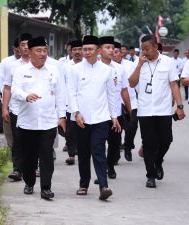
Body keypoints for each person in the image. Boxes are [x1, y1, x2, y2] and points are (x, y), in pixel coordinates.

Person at [11, 36, 67, 199]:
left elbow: (61, 95)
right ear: (30, 51)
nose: (43, 54)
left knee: (46, 156)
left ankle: (46, 188)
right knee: (28, 158)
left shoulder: (53, 70)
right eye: (39, 50)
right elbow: (15, 90)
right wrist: (25, 96)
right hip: (27, 122)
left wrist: (62, 116)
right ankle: (29, 182)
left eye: (45, 50)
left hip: (48, 122)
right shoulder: (21, 71)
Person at [67, 35, 120, 200]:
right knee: (83, 153)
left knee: (98, 151)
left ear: (98, 51)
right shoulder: (74, 70)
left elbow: (111, 95)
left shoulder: (107, 71)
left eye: (90, 49)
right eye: (84, 49)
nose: (87, 52)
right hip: (81, 119)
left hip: (101, 119)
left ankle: (104, 186)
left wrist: (114, 117)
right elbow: (71, 93)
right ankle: (84, 184)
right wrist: (76, 112)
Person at [128, 35, 185, 188]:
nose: (144, 52)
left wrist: (179, 106)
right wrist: (139, 65)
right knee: (148, 144)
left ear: (155, 47)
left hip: (163, 110)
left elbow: (174, 85)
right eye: (143, 49)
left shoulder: (168, 62)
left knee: (166, 140)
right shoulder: (140, 63)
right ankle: (150, 175)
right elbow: (132, 83)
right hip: (145, 110)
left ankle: (158, 161)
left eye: (147, 48)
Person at [0, 33, 32, 181]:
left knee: (31, 140)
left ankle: (31, 167)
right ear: (18, 47)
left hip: (33, 109)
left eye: (28, 44)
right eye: (22, 45)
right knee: (17, 140)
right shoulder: (12, 66)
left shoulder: (40, 65)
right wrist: (5, 108)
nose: (25, 47)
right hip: (16, 109)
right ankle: (17, 170)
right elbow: (7, 88)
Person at [98, 36, 131, 179]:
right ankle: (101, 170)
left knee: (115, 143)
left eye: (112, 48)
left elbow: (124, 90)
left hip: (116, 113)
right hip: (99, 113)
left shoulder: (120, 69)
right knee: (98, 144)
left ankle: (110, 165)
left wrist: (129, 110)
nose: (111, 50)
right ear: (100, 50)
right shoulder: (94, 67)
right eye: (107, 47)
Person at [113, 41, 137, 162]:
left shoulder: (130, 65)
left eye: (117, 52)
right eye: (113, 51)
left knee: (132, 127)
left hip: (132, 101)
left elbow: (136, 83)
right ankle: (115, 154)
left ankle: (128, 147)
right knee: (116, 130)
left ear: (121, 53)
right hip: (116, 104)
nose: (114, 54)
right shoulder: (106, 66)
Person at [61, 40, 83, 165]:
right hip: (68, 104)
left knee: (83, 130)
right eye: (74, 50)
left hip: (84, 104)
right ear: (70, 51)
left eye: (79, 49)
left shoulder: (87, 65)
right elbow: (61, 85)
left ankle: (82, 151)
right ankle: (71, 155)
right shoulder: (65, 66)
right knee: (70, 131)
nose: (77, 52)